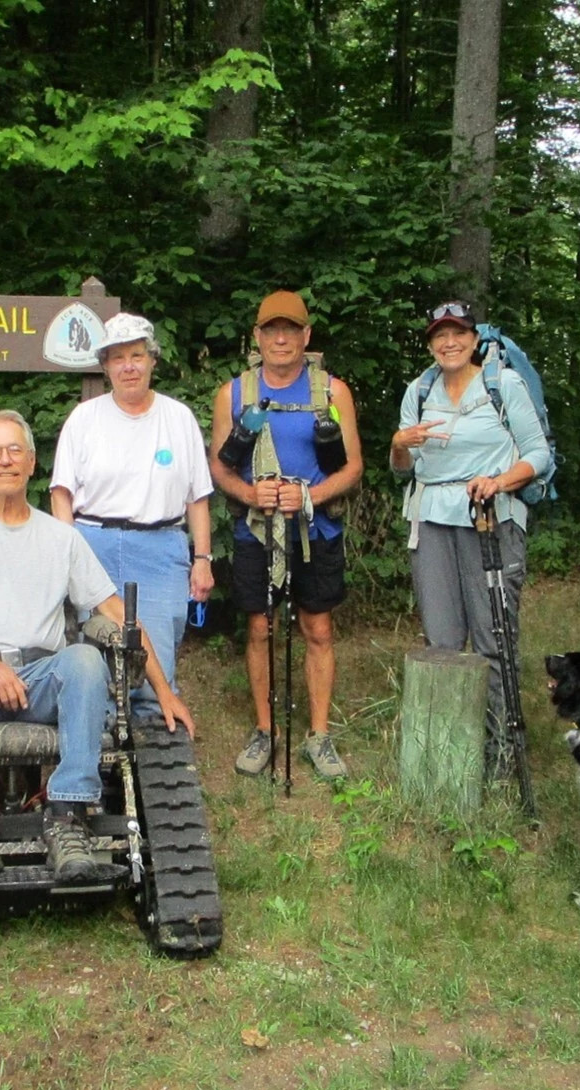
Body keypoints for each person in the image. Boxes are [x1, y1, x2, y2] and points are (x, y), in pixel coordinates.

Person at [0, 409, 195, 890]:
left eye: (15, 449)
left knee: (84, 656)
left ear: (33, 462)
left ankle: (67, 815)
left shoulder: (63, 538)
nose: (5, 460)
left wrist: (164, 689)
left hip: (39, 679)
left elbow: (119, 616)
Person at [209, 290, 362, 781]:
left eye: (291, 329)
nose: (281, 338)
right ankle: (264, 729)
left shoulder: (332, 393)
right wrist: (251, 494)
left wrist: (311, 496)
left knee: (317, 627)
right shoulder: (232, 394)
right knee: (260, 627)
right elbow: (218, 467)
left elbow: (354, 466)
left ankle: (318, 735)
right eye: (271, 329)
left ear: (306, 336)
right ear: (257, 337)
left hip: (317, 529)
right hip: (257, 532)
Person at [389, 301, 550, 768]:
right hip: (432, 520)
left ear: (474, 338)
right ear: (430, 343)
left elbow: (537, 454)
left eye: (458, 332)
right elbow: (404, 470)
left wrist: (499, 481)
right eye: (440, 335)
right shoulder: (419, 391)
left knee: (493, 637)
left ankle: (501, 747)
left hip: (492, 517)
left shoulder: (504, 385)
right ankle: (449, 750)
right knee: (441, 640)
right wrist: (398, 445)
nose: (449, 342)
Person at [50, 313, 214, 715]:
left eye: (137, 355)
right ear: (105, 366)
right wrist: (69, 555)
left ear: (152, 360)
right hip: (93, 545)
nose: (128, 366)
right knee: (94, 657)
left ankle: (158, 761)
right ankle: (99, 756)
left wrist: (203, 560)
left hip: (161, 550)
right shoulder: (84, 419)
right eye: (118, 357)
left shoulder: (178, 418)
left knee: (154, 661)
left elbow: (198, 498)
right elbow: (61, 493)